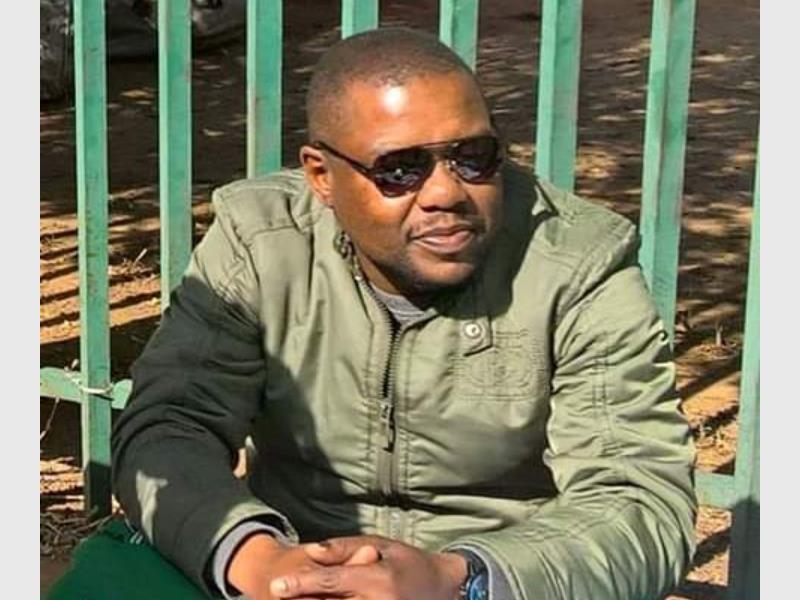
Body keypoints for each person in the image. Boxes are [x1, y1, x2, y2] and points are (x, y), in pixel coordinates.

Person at [49, 27, 697, 600]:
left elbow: (639, 497)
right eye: (400, 169)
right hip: (291, 557)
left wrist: (461, 578)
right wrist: (258, 560)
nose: (446, 192)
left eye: (474, 157)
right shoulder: (262, 239)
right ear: (321, 175)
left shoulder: (577, 260)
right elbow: (171, 424)